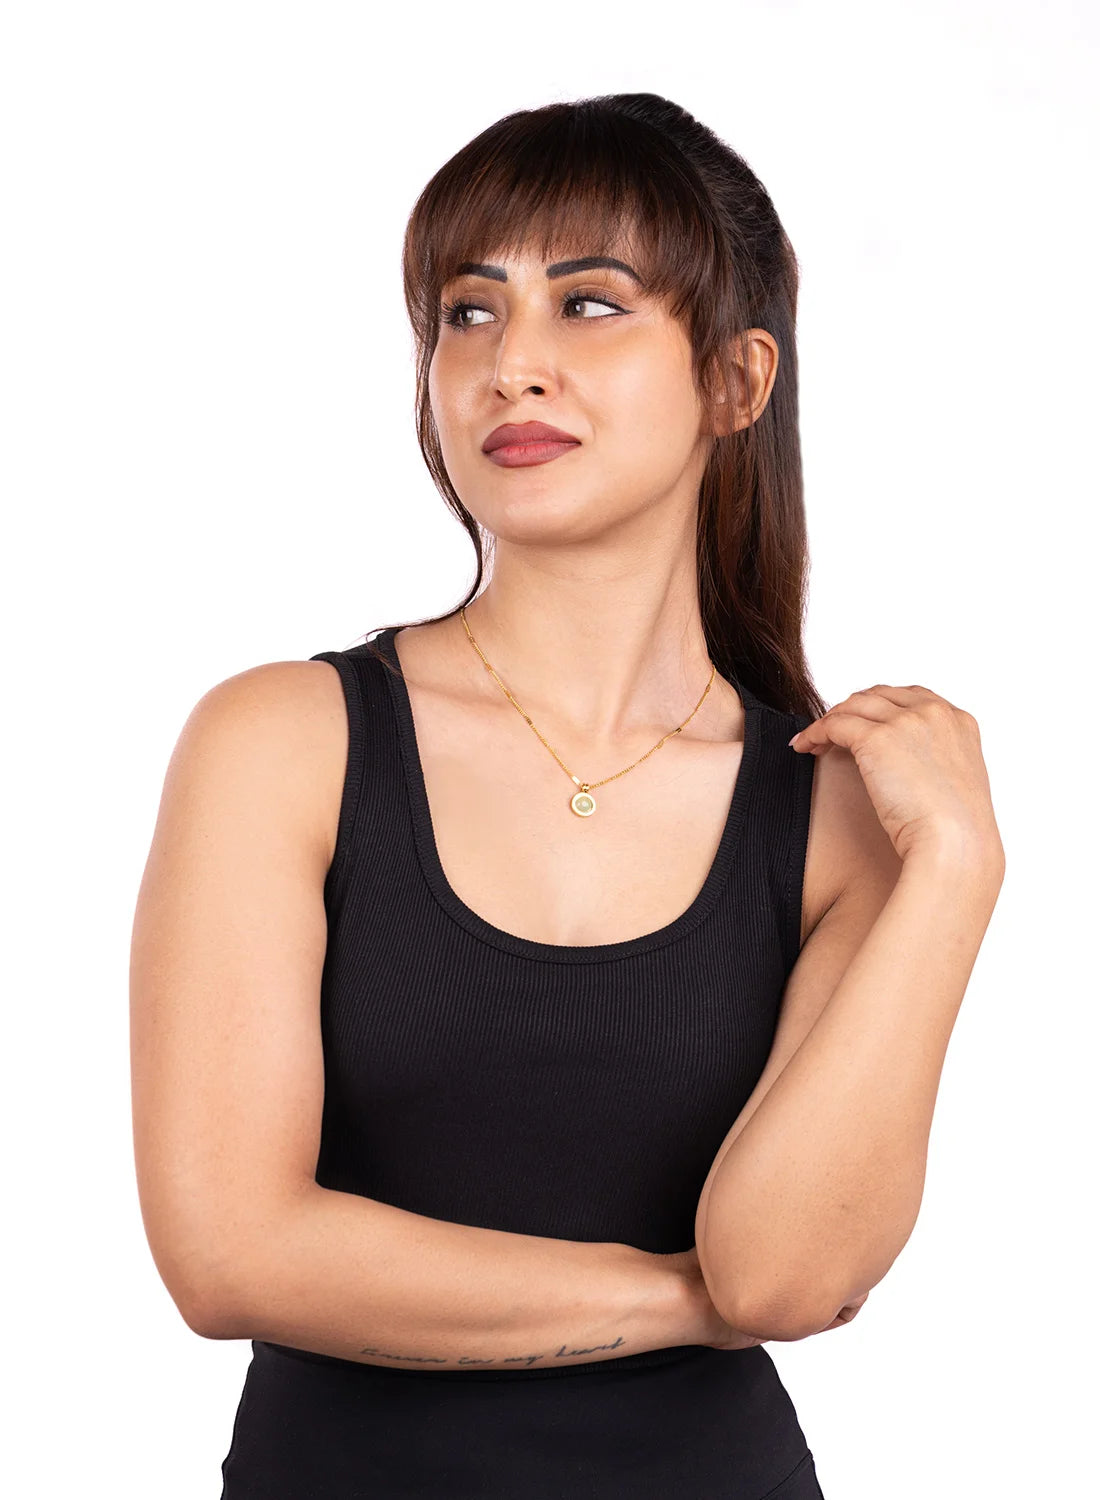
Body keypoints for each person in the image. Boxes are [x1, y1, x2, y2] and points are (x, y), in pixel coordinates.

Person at [129, 93, 1005, 1499]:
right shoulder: (285, 743)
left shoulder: (837, 816)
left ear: (736, 380)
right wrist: (678, 1299)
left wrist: (958, 866)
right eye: (468, 314)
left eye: (589, 304)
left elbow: (786, 1276)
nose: (511, 365)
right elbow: (229, 1254)